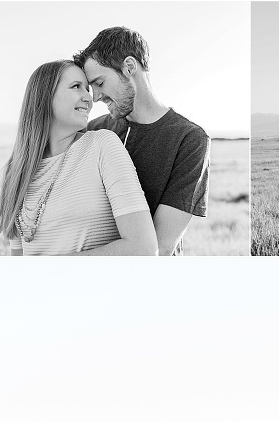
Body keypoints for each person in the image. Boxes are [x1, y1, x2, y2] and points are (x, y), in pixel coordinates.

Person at [0, 59, 157, 256]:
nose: (89, 98)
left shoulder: (102, 145)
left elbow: (144, 248)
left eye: (87, 89)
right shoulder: (16, 170)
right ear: (45, 96)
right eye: (76, 87)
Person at [76, 26, 210, 255]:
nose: (95, 97)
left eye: (100, 83)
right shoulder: (93, 130)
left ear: (129, 67)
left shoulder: (189, 139)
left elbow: (161, 246)